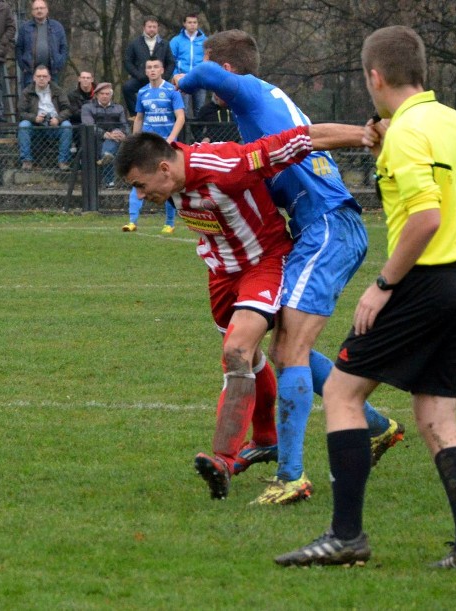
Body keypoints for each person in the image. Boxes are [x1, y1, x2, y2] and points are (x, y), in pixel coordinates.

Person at [275, 26, 456, 570]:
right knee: (438, 416)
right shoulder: (452, 121)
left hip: (424, 281)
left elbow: (425, 218)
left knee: (345, 393)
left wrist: (382, 285)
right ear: (422, 71)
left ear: (374, 76)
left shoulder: (405, 133)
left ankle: (346, 536)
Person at [175, 30, 403, 505]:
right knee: (286, 347)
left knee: (289, 350)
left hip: (325, 225)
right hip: (319, 226)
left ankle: (292, 476)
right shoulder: (266, 99)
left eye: (218, 71)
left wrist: (178, 79)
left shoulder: (248, 93)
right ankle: (379, 427)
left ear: (229, 71)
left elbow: (202, 74)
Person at [114, 123, 368, 501]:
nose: (139, 195)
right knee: (251, 358)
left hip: (263, 264)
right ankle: (268, 438)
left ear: (165, 170)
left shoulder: (226, 163)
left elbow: (297, 140)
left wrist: (369, 134)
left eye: (139, 185)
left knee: (236, 352)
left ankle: (223, 458)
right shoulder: (174, 176)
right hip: (221, 273)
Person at [123, 58, 184, 234]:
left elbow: (180, 117)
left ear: (162, 70)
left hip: (165, 144)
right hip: (147, 145)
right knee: (138, 179)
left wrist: (171, 138)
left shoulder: (172, 90)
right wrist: (135, 140)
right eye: (149, 67)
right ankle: (132, 221)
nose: (152, 70)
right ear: (145, 71)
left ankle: (169, 223)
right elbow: (140, 118)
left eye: (155, 67)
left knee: (167, 181)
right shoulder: (142, 92)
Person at [17, 65, 72, 171]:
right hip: (35, 126)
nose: (41, 78)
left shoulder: (58, 90)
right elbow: (21, 112)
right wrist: (34, 118)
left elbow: (68, 109)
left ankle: (63, 161)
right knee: (23, 125)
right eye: (39, 76)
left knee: (67, 126)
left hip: (55, 125)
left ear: (49, 78)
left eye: (44, 76)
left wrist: (58, 119)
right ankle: (26, 161)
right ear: (34, 78)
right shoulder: (27, 92)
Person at [122, 17, 175, 117]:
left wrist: (164, 77)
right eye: (149, 26)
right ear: (144, 27)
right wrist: (138, 74)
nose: (152, 29)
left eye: (154, 27)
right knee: (127, 88)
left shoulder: (164, 44)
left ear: (158, 28)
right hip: (141, 78)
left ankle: (169, 116)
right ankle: (135, 115)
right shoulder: (135, 43)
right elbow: (127, 61)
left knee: (173, 93)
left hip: (160, 80)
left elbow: (171, 62)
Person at [80, 82, 127, 188]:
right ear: (96, 95)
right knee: (108, 149)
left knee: (111, 144)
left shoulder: (119, 108)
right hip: (94, 138)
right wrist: (104, 134)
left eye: (107, 94)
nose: (105, 96)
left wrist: (122, 134)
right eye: (102, 93)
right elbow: (89, 125)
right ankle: (109, 181)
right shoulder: (87, 107)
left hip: (114, 139)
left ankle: (107, 174)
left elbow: (124, 125)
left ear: (111, 95)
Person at [15, 0, 68, 89]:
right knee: (31, 100)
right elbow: (19, 48)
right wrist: (23, 67)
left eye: (41, 8)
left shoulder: (57, 27)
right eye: (36, 8)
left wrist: (59, 64)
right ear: (32, 11)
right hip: (30, 72)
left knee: (51, 99)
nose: (39, 10)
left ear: (47, 10)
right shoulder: (25, 28)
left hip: (52, 72)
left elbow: (64, 48)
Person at [169, 14, 207, 118]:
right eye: (189, 22)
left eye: (194, 22)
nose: (192, 25)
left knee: (200, 109)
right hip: (182, 78)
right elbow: (171, 60)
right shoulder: (176, 41)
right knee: (182, 109)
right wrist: (176, 75)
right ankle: (182, 134)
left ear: (198, 24)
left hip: (199, 79)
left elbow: (208, 59)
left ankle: (199, 134)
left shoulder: (205, 41)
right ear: (184, 24)